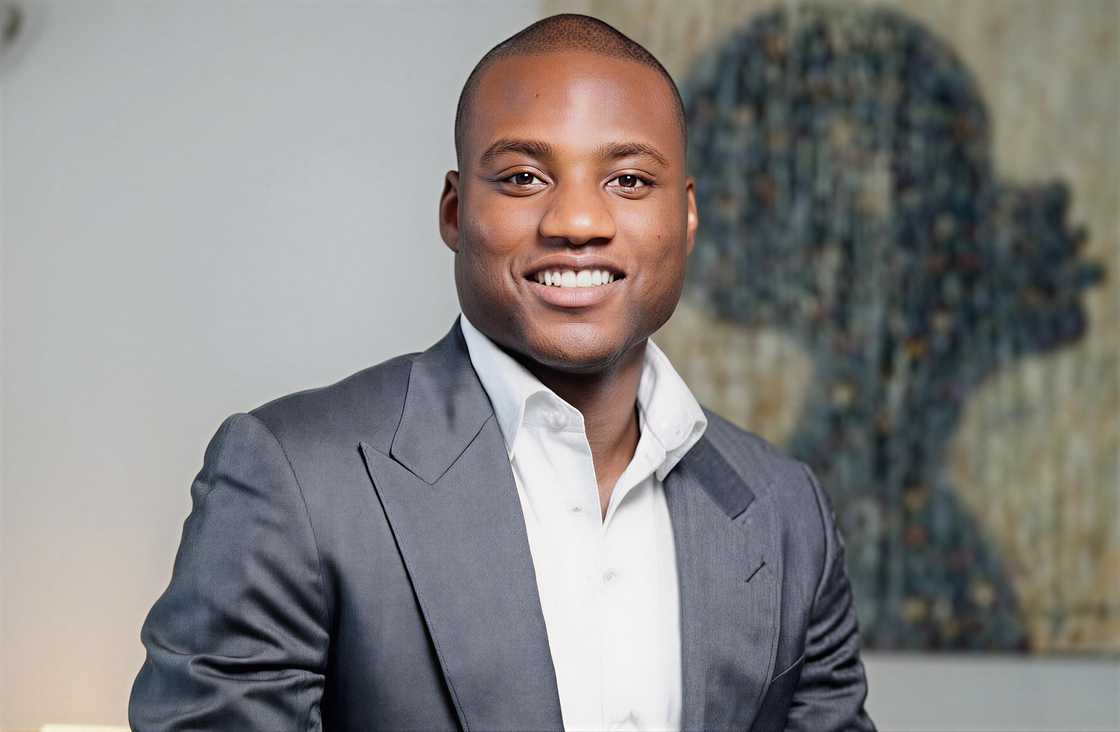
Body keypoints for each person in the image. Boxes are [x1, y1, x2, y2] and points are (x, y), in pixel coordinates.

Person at [129, 13, 875, 732]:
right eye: (522, 177)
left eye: (628, 181)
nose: (577, 222)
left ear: (685, 216)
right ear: (455, 211)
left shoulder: (787, 511)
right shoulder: (292, 478)